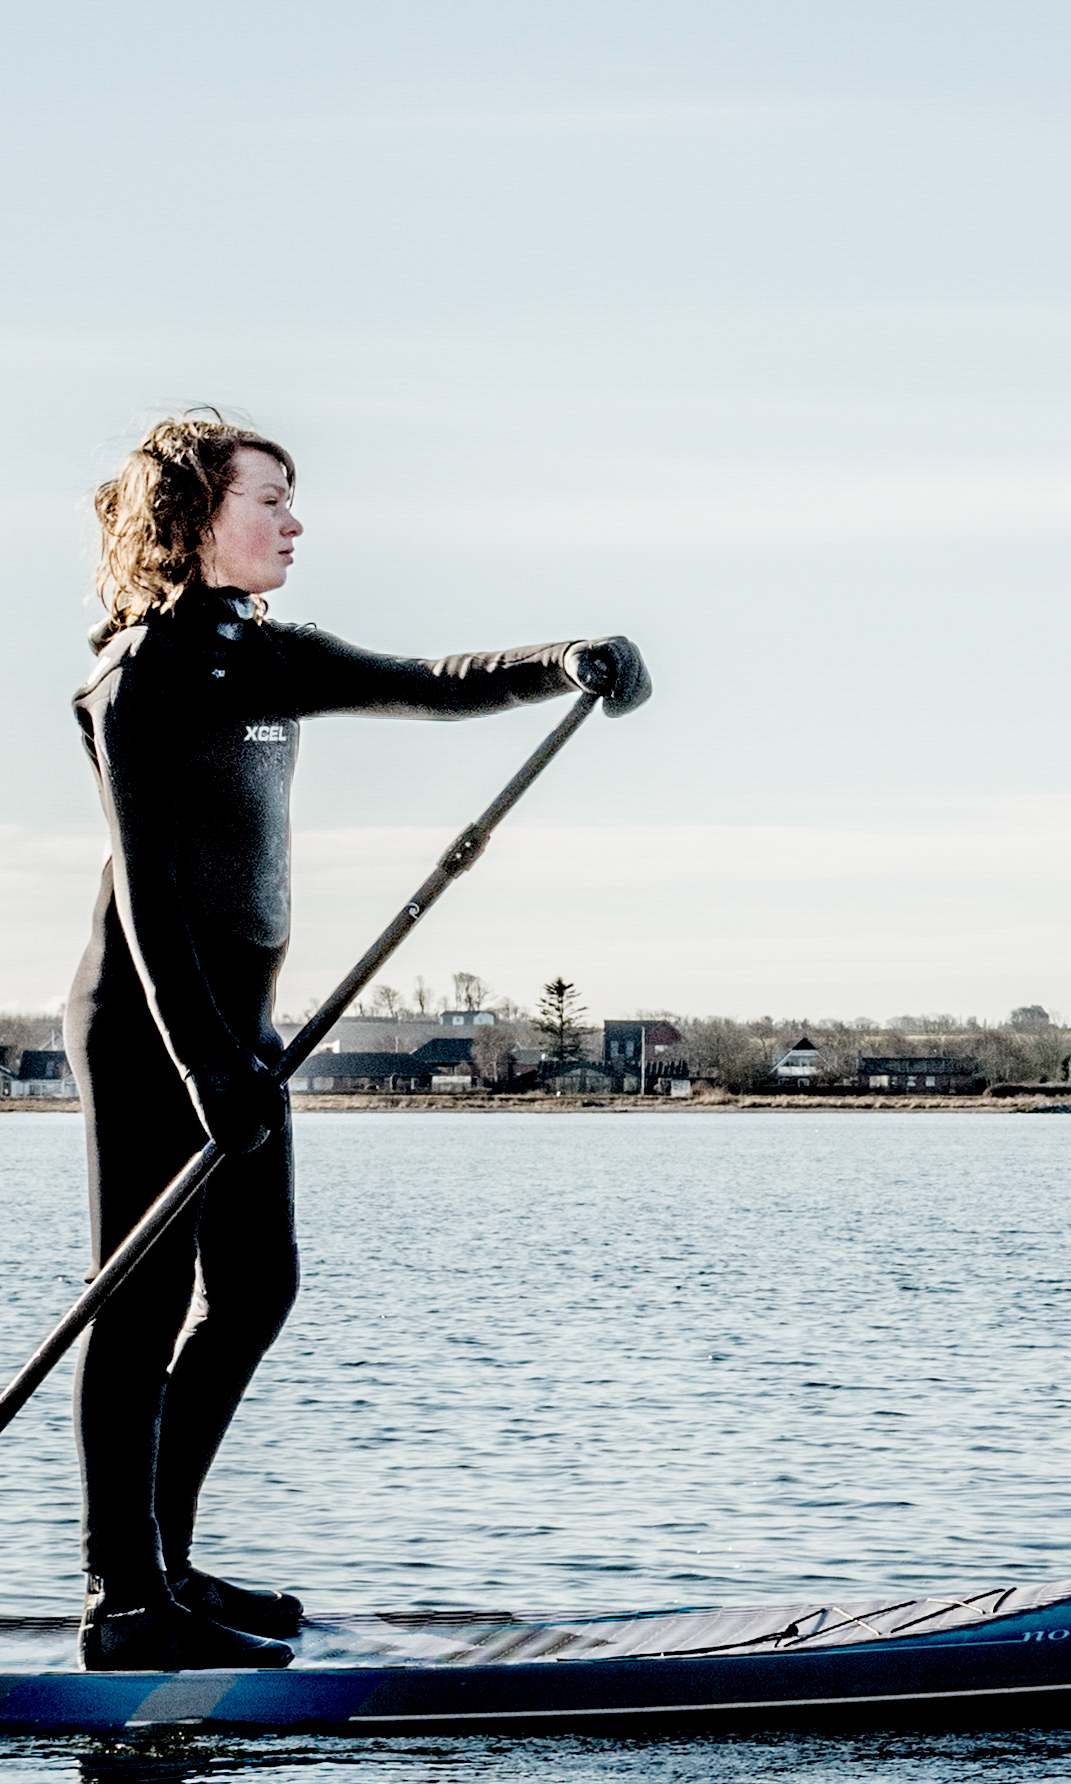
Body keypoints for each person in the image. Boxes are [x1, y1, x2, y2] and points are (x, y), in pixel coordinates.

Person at [67, 413, 648, 1668]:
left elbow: (432, 682)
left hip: (240, 1029)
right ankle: (124, 1600)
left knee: (256, 1291)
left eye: (292, 499)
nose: (294, 522)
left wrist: (566, 660)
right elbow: (149, 897)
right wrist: (206, 1063)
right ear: (195, 517)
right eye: (268, 499)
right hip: (150, 1025)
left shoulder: (264, 654)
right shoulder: (138, 677)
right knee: (142, 1299)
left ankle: (168, 1565)